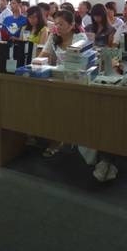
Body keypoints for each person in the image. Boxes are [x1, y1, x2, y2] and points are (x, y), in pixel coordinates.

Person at [38, 10, 87, 157]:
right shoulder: (53, 37)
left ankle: (59, 139)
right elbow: (43, 56)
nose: (57, 27)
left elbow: (82, 63)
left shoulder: (80, 38)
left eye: (61, 24)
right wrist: (35, 64)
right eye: (56, 24)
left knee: (62, 107)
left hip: (76, 80)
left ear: (72, 25)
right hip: (58, 78)